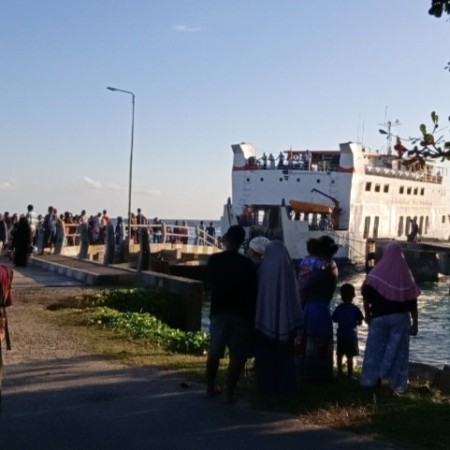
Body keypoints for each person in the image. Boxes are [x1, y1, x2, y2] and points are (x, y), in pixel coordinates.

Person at [205, 225, 258, 404]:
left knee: (214, 352)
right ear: (242, 242)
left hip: (219, 311)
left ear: (226, 239)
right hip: (241, 314)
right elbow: (254, 292)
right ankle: (229, 394)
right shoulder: (248, 265)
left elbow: (208, 282)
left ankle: (210, 388)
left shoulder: (214, 261)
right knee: (237, 356)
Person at [360, 242, 420, 394]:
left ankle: (370, 381)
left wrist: (367, 315)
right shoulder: (405, 275)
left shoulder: (374, 274)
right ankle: (396, 385)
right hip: (400, 319)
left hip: (379, 317)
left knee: (374, 350)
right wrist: (415, 323)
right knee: (399, 352)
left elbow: (366, 297)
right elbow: (412, 302)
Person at [254, 240, 303, 397]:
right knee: (285, 358)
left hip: (264, 320)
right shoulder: (289, 271)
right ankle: (286, 389)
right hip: (286, 323)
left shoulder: (264, 269)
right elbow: (294, 298)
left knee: (266, 357)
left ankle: (266, 388)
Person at [300, 235, 339, 381]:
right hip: (323, 306)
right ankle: (323, 372)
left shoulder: (322, 268)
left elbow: (305, 286)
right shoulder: (332, 265)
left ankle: (312, 373)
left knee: (313, 340)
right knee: (322, 340)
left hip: (313, 306)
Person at [331, 283, 364, 377]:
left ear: (341, 296)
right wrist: (356, 323)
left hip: (341, 335)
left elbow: (334, 319)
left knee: (339, 354)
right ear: (353, 295)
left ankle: (339, 372)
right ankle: (350, 374)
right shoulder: (355, 309)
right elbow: (361, 321)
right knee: (350, 356)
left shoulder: (339, 308)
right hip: (351, 336)